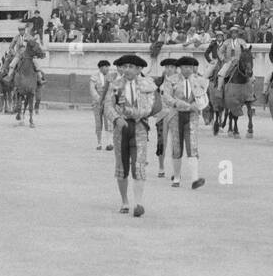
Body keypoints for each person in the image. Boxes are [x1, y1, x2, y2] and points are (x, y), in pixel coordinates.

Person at [103, 54, 158, 218]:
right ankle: (125, 201)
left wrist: (129, 112)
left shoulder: (148, 85)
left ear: (139, 69)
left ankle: (138, 203)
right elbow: (107, 106)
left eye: (131, 67)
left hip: (140, 128)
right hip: (121, 129)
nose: (126, 70)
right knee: (122, 166)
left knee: (138, 164)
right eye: (124, 66)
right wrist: (116, 118)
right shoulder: (115, 84)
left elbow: (148, 109)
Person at [162, 57, 208, 189]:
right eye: (185, 67)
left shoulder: (198, 80)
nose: (188, 69)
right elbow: (167, 98)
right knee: (177, 146)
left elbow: (203, 97)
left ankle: (195, 179)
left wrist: (198, 105)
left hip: (192, 116)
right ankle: (176, 177)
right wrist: (184, 105)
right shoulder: (171, 80)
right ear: (180, 68)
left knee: (192, 145)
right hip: (176, 115)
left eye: (190, 66)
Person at [89, 60, 113, 150]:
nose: (107, 68)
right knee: (98, 123)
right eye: (106, 67)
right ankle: (99, 143)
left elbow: (113, 90)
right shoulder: (94, 77)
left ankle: (109, 143)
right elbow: (92, 90)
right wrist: (100, 100)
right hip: (97, 103)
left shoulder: (111, 77)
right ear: (101, 67)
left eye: (108, 67)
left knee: (109, 123)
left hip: (108, 103)